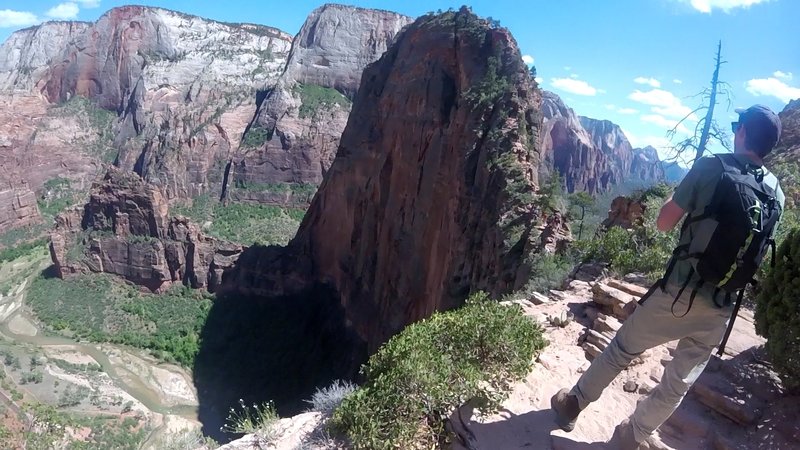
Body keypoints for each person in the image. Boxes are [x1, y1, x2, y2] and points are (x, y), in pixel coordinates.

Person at [550, 104, 784, 449]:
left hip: (679, 292)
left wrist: (681, 194)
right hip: (722, 307)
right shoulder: (776, 194)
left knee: (622, 350)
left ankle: (572, 404)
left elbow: (663, 223)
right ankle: (632, 437)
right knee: (677, 384)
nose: (735, 130)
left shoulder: (712, 166)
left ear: (743, 132)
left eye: (738, 125)